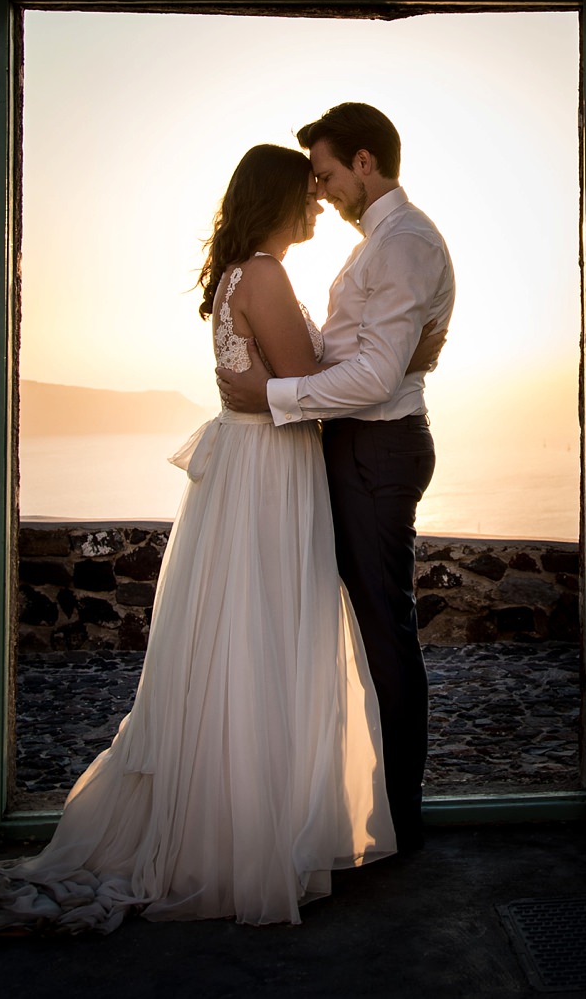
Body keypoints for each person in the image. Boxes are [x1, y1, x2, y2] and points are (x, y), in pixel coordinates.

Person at [0, 142, 439, 933]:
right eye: (309, 192)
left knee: (238, 637)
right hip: (270, 468)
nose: (319, 203)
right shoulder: (265, 273)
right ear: (278, 199)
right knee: (265, 637)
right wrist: (388, 363)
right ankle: (250, 834)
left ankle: (237, 818)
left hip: (249, 461)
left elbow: (275, 380)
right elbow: (304, 387)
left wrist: (337, 366)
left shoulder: (237, 274)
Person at [218, 102, 455, 859]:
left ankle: (398, 816)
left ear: (363, 161)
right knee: (364, 625)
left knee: (383, 627)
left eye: (324, 174)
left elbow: (378, 373)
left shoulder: (405, 242)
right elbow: (359, 353)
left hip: (377, 452)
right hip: (356, 443)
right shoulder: (376, 245)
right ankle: (360, 805)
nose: (317, 191)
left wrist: (275, 397)